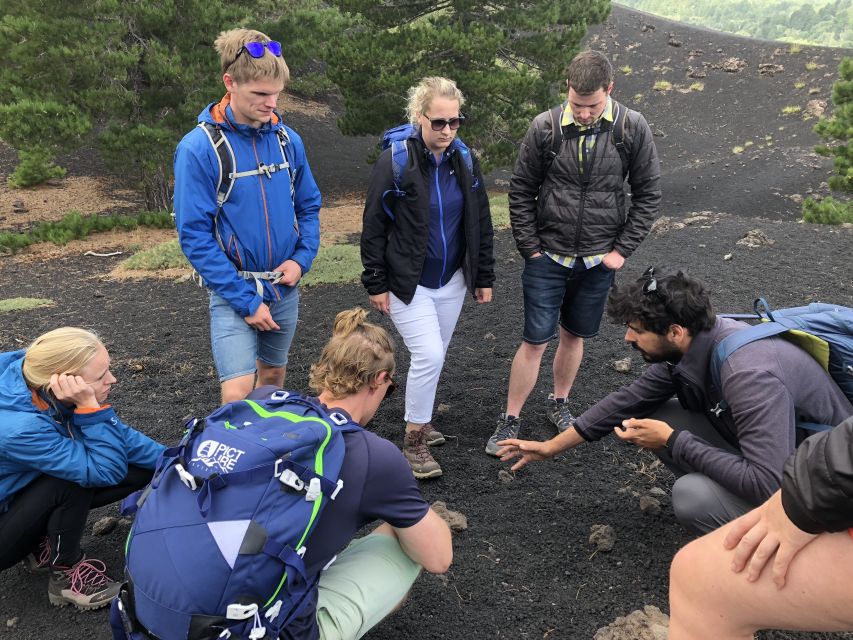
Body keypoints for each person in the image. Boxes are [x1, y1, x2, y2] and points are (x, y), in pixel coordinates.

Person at [496, 268, 853, 534]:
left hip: (825, 484)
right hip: (784, 451)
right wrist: (551, 446)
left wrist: (674, 442)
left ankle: (794, 542)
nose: (627, 338)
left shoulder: (748, 373)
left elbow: (767, 481)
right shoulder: (698, 341)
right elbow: (627, 401)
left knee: (692, 497)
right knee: (653, 413)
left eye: (636, 330)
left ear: (675, 332)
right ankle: (734, 499)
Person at [486, 49, 661, 455]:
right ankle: (510, 417)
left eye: (593, 106)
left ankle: (559, 404)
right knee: (534, 340)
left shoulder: (631, 128)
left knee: (574, 335)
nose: (583, 113)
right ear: (567, 89)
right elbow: (521, 191)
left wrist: (621, 251)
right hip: (548, 257)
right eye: (577, 105)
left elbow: (648, 195)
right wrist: (530, 249)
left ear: (610, 91)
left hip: (599, 261)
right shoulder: (544, 127)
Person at [174, 28, 321, 404]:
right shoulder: (198, 149)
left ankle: (268, 458)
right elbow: (194, 236)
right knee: (237, 395)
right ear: (230, 83)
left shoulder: (288, 140)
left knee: (272, 380)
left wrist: (301, 261)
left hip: (284, 288)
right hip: (232, 291)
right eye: (259, 94)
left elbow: (308, 206)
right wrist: (245, 300)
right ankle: (231, 462)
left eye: (276, 93)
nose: (271, 103)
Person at [361, 76, 495, 479]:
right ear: (419, 117)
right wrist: (376, 282)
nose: (448, 131)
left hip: (452, 279)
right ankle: (414, 439)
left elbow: (481, 221)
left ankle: (422, 418)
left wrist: (482, 275)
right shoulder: (396, 161)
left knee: (434, 356)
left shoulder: (464, 160)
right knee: (429, 355)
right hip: (408, 282)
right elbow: (372, 227)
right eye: (439, 122)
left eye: (455, 122)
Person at [0, 328, 165, 610]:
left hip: (11, 498)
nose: (112, 379)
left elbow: (123, 439)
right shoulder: (19, 428)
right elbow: (104, 471)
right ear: (62, 381)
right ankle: (66, 576)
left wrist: (180, 459)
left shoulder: (35, 376)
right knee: (70, 481)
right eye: (101, 377)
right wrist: (89, 406)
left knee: (143, 467)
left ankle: (37, 542)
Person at [668, 415, 853, 639]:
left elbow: (768, 481)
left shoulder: (754, 380)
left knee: (696, 579)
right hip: (833, 465)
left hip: (829, 479)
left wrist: (803, 498)